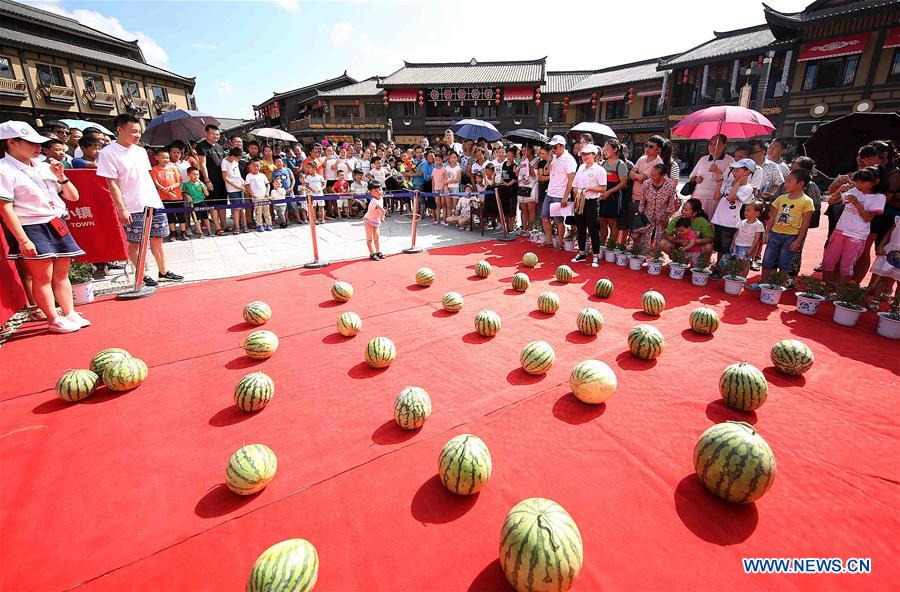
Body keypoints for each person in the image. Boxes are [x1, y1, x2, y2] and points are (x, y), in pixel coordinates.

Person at [0, 121, 88, 333]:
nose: (37, 147)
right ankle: (53, 318)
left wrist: (61, 176)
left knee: (62, 274)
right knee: (42, 277)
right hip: (31, 226)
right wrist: (22, 239)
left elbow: (73, 197)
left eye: (39, 143)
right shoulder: (4, 169)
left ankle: (69, 312)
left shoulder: (42, 166)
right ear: (11, 142)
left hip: (57, 221)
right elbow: (5, 207)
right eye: (31, 143)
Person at [97, 114, 183, 287]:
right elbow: (111, 183)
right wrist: (121, 208)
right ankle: (141, 274)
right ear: (120, 130)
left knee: (157, 238)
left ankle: (163, 271)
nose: (137, 135)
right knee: (136, 242)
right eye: (134, 131)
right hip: (132, 204)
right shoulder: (108, 153)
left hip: (152, 202)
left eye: (139, 132)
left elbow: (146, 177)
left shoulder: (141, 151)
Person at [821, 166, 885, 290]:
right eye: (857, 181)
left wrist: (856, 202)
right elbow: (831, 202)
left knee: (846, 265)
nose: (858, 184)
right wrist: (838, 190)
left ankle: (839, 293)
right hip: (840, 230)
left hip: (856, 235)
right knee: (828, 260)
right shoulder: (855, 190)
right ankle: (823, 287)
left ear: (875, 182)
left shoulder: (878, 197)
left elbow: (868, 218)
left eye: (862, 182)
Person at [751, 168, 815, 289]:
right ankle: (763, 282)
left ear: (801, 184)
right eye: (786, 181)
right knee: (768, 259)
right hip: (775, 234)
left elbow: (805, 224)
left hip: (791, 237)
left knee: (785, 262)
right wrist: (767, 233)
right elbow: (772, 217)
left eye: (789, 181)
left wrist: (798, 241)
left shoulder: (807, 201)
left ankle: (777, 285)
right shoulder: (781, 199)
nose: (785, 184)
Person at [855, 140, 900, 284]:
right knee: (862, 249)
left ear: (883, 155)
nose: (867, 159)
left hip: (884, 217)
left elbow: (885, 198)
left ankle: (876, 286)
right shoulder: (871, 170)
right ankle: (857, 283)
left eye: (871, 156)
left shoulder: (893, 173)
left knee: (883, 252)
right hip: (869, 214)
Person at [710, 159, 756, 272]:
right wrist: (720, 183)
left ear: (747, 172)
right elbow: (716, 197)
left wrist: (738, 183)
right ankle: (718, 269)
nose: (734, 173)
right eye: (734, 170)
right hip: (719, 220)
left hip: (731, 223)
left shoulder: (747, 188)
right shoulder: (729, 182)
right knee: (719, 247)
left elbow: (731, 197)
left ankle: (724, 271)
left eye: (738, 170)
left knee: (727, 249)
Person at [570, 144, 606, 267]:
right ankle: (581, 252)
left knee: (593, 229)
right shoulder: (580, 168)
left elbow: (603, 188)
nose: (584, 156)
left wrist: (589, 189)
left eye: (587, 154)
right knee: (580, 228)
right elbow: (574, 185)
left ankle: (595, 255)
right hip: (580, 201)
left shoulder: (599, 170)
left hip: (591, 202)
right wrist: (578, 193)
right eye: (583, 154)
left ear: (594, 155)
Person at [540, 135, 576, 250]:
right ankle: (549, 241)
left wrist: (565, 196)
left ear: (562, 146)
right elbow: (546, 172)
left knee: (558, 221)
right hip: (550, 192)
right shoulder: (554, 157)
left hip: (560, 194)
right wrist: (548, 161)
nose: (553, 150)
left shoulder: (569, 159)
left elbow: (571, 179)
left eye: (555, 147)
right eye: (552, 147)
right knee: (544, 218)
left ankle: (560, 244)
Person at [626, 137, 664, 243]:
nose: (647, 148)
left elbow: (642, 178)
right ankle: (634, 249)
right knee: (632, 227)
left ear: (658, 149)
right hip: (634, 197)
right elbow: (631, 174)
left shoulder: (658, 163)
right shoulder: (642, 158)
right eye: (646, 145)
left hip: (646, 200)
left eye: (651, 146)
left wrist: (637, 175)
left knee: (640, 228)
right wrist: (637, 176)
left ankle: (639, 252)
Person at [635, 163, 679, 251]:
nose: (651, 177)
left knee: (660, 235)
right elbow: (642, 201)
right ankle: (643, 253)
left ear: (663, 176)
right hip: (648, 212)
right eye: (651, 174)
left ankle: (656, 256)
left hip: (662, 214)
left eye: (654, 175)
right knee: (645, 234)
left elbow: (671, 203)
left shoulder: (670, 185)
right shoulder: (646, 184)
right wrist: (640, 215)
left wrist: (666, 217)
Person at [688, 134, 734, 217]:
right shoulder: (703, 159)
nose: (712, 146)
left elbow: (730, 180)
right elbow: (691, 175)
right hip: (697, 196)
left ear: (725, 146)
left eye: (717, 144)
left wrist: (717, 171)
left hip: (715, 198)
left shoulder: (729, 160)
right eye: (711, 143)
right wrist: (696, 178)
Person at [195, 124, 228, 235]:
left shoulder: (219, 147)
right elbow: (202, 164)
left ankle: (224, 225)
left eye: (217, 134)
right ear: (207, 134)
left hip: (222, 180)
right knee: (213, 204)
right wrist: (207, 180)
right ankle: (218, 227)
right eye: (213, 134)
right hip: (211, 180)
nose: (216, 136)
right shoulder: (201, 146)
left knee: (222, 203)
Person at [151, 148, 188, 242]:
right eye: (163, 157)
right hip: (164, 197)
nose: (166, 160)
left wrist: (170, 188)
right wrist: (169, 193)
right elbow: (157, 184)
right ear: (156, 157)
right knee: (170, 215)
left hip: (177, 196)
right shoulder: (154, 170)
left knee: (181, 215)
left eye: (167, 157)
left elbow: (178, 182)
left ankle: (183, 232)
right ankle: (173, 232)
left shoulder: (173, 168)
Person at [598, 140, 628, 246]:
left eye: (607, 149)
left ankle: (611, 245)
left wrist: (609, 192)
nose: (605, 151)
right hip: (603, 195)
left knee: (612, 223)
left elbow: (623, 183)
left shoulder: (621, 164)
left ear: (615, 150)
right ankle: (601, 245)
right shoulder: (603, 164)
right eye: (604, 149)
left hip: (613, 197)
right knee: (601, 221)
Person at [728, 200, 765, 278]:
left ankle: (743, 278)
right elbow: (736, 234)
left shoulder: (758, 224)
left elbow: (757, 238)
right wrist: (732, 244)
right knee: (738, 263)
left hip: (747, 247)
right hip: (738, 245)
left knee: (745, 263)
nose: (745, 212)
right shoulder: (741, 222)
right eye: (745, 210)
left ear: (757, 213)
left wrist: (751, 249)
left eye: (748, 210)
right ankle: (737, 277)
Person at [868, 215, 899, 306]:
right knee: (883, 277)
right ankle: (875, 300)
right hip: (891, 251)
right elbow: (888, 235)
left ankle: (895, 307)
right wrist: (881, 245)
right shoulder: (898, 220)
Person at [222, 147, 249, 234]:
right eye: (237, 158)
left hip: (240, 186)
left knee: (242, 207)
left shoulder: (235, 162)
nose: (239, 159)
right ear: (232, 155)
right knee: (236, 208)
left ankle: (245, 225)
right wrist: (237, 187)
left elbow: (238, 175)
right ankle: (237, 227)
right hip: (232, 188)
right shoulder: (224, 162)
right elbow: (225, 178)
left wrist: (243, 182)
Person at [182, 167, 210, 237]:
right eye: (194, 174)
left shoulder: (201, 184)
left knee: (205, 217)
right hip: (193, 203)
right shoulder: (186, 184)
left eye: (197, 174)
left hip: (202, 202)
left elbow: (207, 194)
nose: (196, 176)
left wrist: (202, 185)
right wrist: (188, 196)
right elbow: (184, 192)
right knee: (196, 219)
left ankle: (209, 230)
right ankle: (200, 233)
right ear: (188, 175)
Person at [244, 159, 272, 232]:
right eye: (254, 166)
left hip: (265, 197)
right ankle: (259, 225)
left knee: (266, 211)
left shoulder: (262, 175)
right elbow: (247, 186)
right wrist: (252, 194)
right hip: (256, 197)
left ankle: (269, 224)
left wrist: (267, 193)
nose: (256, 167)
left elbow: (268, 184)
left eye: (257, 166)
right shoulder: (249, 176)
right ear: (250, 167)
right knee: (258, 211)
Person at [516, 145, 538, 236]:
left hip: (532, 185)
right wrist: (522, 162)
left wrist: (528, 163)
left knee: (531, 207)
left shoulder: (536, 160)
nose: (524, 152)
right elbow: (516, 172)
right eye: (523, 150)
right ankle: (524, 228)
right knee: (523, 207)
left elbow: (534, 174)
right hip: (522, 185)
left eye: (526, 150)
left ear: (531, 150)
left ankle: (531, 229)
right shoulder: (521, 160)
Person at [498, 146, 519, 233]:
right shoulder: (504, 164)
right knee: (505, 207)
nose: (509, 157)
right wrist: (502, 182)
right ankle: (505, 225)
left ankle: (511, 226)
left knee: (512, 208)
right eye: (508, 155)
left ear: (514, 156)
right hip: (504, 189)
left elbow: (515, 178)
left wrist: (508, 184)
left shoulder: (515, 165)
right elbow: (502, 175)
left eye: (511, 155)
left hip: (512, 189)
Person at [364, 182, 385, 260]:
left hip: (376, 221)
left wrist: (382, 217)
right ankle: (372, 254)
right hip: (368, 221)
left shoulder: (381, 199)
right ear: (371, 192)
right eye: (375, 191)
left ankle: (378, 252)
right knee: (369, 239)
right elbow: (381, 209)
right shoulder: (373, 201)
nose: (379, 192)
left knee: (377, 237)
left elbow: (381, 211)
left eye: (380, 189)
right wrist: (384, 212)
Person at [271, 156, 295, 227]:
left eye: (280, 161)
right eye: (277, 162)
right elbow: (274, 182)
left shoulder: (287, 169)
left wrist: (291, 188)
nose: (279, 163)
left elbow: (293, 179)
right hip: (280, 193)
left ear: (282, 162)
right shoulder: (274, 172)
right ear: (274, 163)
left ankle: (299, 218)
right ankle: (286, 220)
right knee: (284, 207)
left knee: (293, 205)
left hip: (289, 190)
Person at [431, 156, 449, 224]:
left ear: (442, 161)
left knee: (444, 205)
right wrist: (433, 190)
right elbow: (433, 181)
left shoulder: (444, 169)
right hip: (436, 189)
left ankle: (444, 220)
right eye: (436, 160)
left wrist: (442, 189)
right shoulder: (434, 170)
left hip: (443, 189)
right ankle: (438, 220)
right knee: (437, 205)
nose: (438, 161)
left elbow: (445, 180)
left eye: (439, 160)